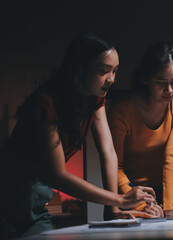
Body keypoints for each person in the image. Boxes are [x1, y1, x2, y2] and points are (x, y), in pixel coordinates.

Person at [0, 32, 157, 239]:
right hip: (7, 199)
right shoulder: (47, 102)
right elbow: (57, 176)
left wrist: (115, 209)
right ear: (80, 68)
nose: (111, 79)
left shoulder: (94, 100)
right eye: (103, 71)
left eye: (115, 71)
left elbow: (108, 152)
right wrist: (118, 199)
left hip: (35, 205)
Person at [108, 42, 173, 218]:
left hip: (164, 191)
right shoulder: (122, 109)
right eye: (161, 82)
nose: (169, 90)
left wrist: (170, 206)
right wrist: (140, 205)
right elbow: (115, 166)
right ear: (146, 79)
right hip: (126, 192)